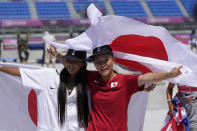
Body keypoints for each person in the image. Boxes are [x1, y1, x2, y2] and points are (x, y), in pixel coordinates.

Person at [50, 45, 182, 131]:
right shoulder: (92, 78)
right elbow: (72, 66)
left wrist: (169, 74)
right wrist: (57, 55)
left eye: (106, 60)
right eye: (98, 62)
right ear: (94, 64)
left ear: (113, 60)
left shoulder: (124, 81)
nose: (102, 65)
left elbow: (147, 77)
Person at [0, 49, 89, 131]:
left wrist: (57, 55)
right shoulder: (48, 76)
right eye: (68, 61)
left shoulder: (87, 82)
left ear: (82, 64)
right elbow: (22, 72)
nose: (70, 64)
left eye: (74, 62)